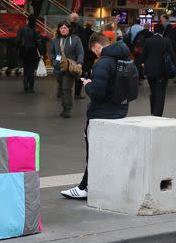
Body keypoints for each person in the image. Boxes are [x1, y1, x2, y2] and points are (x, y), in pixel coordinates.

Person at [60, 33, 131, 199]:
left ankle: (85, 187)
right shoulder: (124, 59)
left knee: (93, 151)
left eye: (94, 50)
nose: (95, 53)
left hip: (101, 113)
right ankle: (102, 185)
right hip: (120, 110)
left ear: (97, 46)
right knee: (111, 152)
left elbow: (97, 94)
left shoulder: (103, 63)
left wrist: (88, 85)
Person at [49, 21, 84, 118]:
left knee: (66, 88)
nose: (63, 30)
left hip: (70, 69)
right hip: (58, 68)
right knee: (62, 88)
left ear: (69, 29)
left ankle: (67, 108)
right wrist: (55, 61)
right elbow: (52, 53)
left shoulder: (75, 39)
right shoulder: (55, 40)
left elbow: (80, 52)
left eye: (65, 28)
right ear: (59, 30)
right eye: (61, 28)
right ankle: (65, 105)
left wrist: (80, 63)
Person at [144, 23, 176, 116]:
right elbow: (172, 55)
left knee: (153, 91)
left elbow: (143, 56)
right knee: (161, 92)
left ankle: (152, 111)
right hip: (162, 71)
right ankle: (157, 114)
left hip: (149, 70)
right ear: (162, 31)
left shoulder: (147, 41)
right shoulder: (166, 41)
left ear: (154, 30)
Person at [16, 15, 43, 93]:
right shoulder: (36, 31)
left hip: (23, 52)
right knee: (31, 69)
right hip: (33, 52)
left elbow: (17, 41)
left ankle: (25, 84)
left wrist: (17, 49)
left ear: (28, 21)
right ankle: (31, 86)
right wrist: (41, 53)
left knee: (25, 68)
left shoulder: (21, 30)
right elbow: (39, 43)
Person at [70, 13, 88, 99]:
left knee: (66, 74)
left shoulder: (66, 28)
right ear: (77, 19)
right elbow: (84, 44)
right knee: (79, 75)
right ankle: (77, 94)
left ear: (70, 19)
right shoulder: (81, 29)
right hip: (78, 57)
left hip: (67, 56)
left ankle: (62, 92)